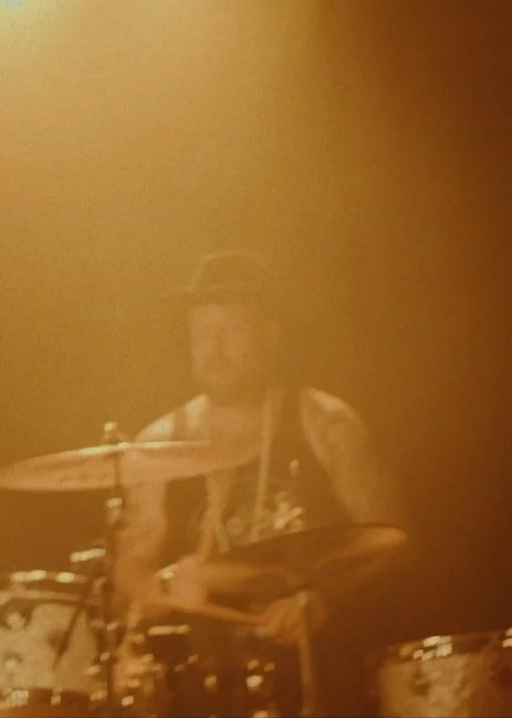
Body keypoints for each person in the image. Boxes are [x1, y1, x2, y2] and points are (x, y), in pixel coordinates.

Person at [112, 251, 404, 712]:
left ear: (269, 333)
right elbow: (132, 566)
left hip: (320, 676)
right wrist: (160, 590)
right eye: (200, 334)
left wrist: (324, 600)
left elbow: (392, 542)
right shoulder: (161, 443)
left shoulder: (324, 422)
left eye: (229, 330)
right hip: (209, 684)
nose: (213, 348)